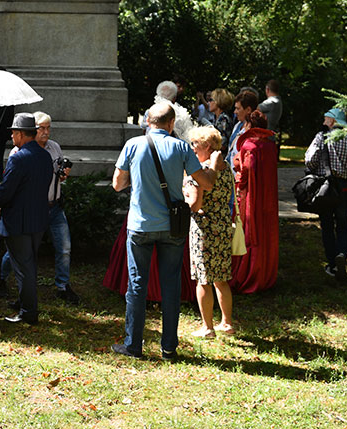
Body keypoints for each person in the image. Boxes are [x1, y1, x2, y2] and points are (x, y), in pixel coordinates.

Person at [110, 103, 219, 360]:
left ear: (148, 121)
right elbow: (207, 183)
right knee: (171, 286)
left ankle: (133, 345)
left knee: (137, 286)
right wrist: (213, 166)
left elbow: (117, 184)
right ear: (171, 124)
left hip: (140, 225)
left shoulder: (133, 145)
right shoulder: (181, 147)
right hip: (172, 226)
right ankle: (169, 347)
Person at [0, 112, 79, 304]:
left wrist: (62, 175)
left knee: (64, 248)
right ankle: (2, 279)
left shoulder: (54, 148)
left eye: (48, 128)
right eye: (41, 128)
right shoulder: (17, 154)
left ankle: (61, 286)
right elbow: (11, 185)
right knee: (19, 253)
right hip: (31, 210)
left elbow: (55, 174)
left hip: (54, 206)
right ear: (32, 130)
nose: (45, 132)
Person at [0, 113, 53, 325]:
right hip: (38, 219)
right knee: (29, 266)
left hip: (18, 221)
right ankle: (26, 306)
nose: (11, 136)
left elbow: (7, 191)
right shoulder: (44, 156)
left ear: (20, 134)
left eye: (13, 132)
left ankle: (28, 312)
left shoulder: (19, 157)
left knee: (23, 269)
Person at [183, 127, 236, 337]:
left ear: (206, 146)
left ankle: (207, 327)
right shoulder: (226, 168)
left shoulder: (201, 172)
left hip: (203, 229)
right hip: (223, 226)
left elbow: (194, 206)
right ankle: (227, 323)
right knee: (221, 278)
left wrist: (184, 196)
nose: (192, 148)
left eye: (195, 144)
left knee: (203, 279)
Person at [306, 108, 347, 281]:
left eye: (326, 119)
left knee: (327, 225)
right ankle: (342, 253)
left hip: (326, 187)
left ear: (333, 122)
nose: (323, 123)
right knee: (343, 224)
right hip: (345, 188)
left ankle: (332, 264)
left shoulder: (321, 137)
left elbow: (310, 160)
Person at [229, 109, 279, 293]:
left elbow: (244, 175)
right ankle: (264, 274)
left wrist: (236, 176)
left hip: (249, 197)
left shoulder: (249, 146)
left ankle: (247, 275)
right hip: (267, 198)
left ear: (249, 125)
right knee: (266, 232)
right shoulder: (269, 145)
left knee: (249, 232)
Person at [227, 90, 258, 163]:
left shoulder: (254, 131)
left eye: (238, 108)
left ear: (248, 110)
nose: (235, 112)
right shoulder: (238, 125)